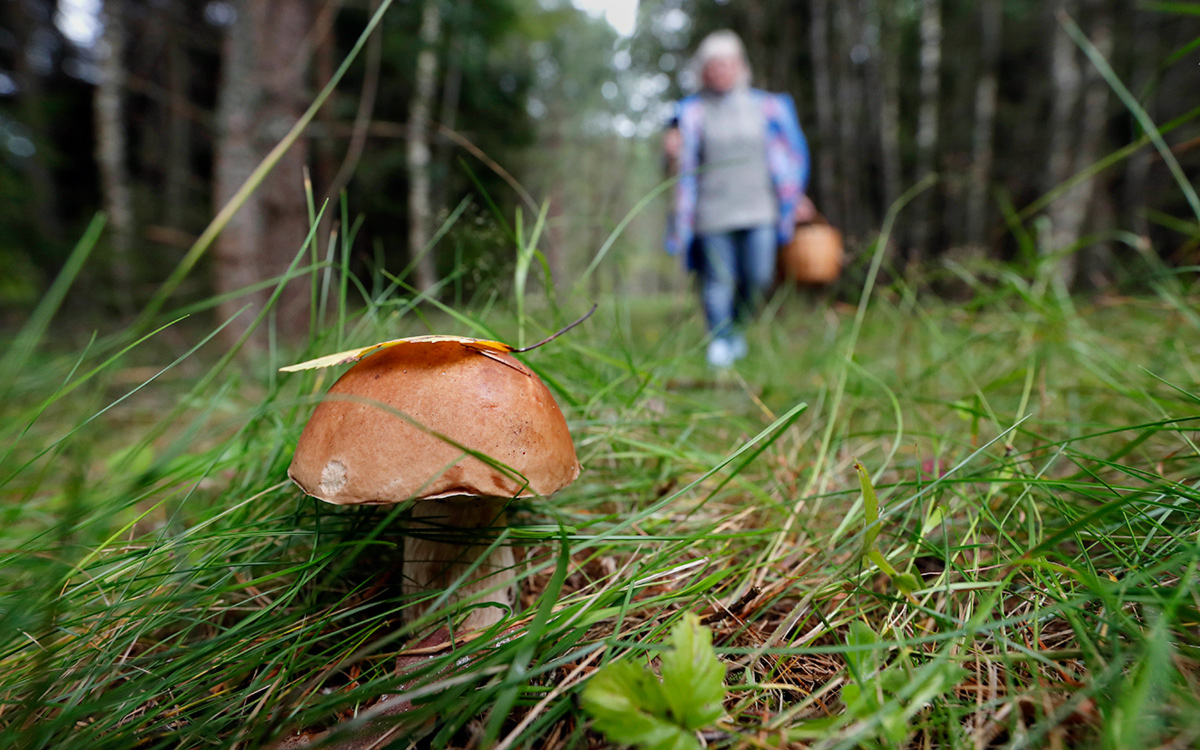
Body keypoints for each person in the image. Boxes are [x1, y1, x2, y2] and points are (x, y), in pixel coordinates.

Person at [665, 30, 812, 368]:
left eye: (727, 64)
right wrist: (671, 152)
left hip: (760, 207)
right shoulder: (688, 113)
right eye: (713, 65)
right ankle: (719, 340)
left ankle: (737, 330)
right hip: (711, 211)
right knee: (719, 280)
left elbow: (788, 158)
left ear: (741, 66)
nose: (720, 71)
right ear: (703, 70)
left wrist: (797, 196)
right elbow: (674, 167)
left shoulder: (769, 107)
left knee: (758, 276)